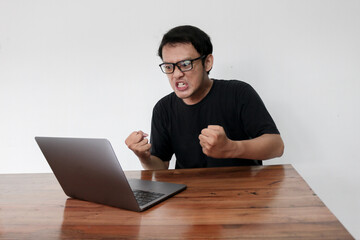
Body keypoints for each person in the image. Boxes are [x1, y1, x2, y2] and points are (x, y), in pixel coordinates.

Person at [125, 25, 284, 170]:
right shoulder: (163, 108)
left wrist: (231, 147)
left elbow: (276, 146)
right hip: (189, 195)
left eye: (186, 64)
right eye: (169, 66)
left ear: (207, 63)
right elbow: (160, 168)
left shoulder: (238, 93)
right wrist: (144, 158)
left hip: (244, 192)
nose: (177, 74)